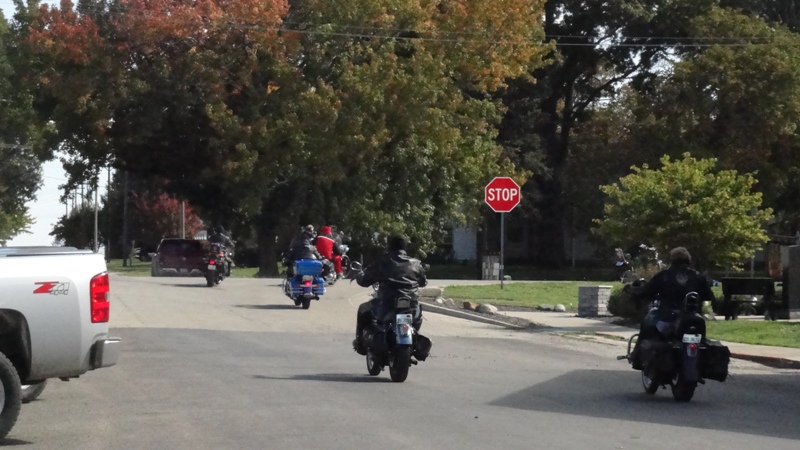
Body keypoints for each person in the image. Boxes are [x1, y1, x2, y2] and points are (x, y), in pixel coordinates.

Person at [627, 246, 715, 369]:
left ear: (672, 260)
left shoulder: (664, 276)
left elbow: (646, 291)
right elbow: (709, 296)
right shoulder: (697, 277)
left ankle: (636, 357)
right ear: (688, 260)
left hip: (667, 318)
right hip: (693, 320)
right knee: (701, 340)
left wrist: (632, 290)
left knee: (647, 322)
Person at [352, 236, 428, 355]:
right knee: (418, 312)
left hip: (387, 303)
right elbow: (423, 282)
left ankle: (360, 345)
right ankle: (414, 336)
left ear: (390, 247)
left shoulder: (384, 262)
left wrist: (360, 276)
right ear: (405, 248)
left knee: (363, 309)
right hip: (411, 305)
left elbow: (364, 280)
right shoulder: (416, 264)